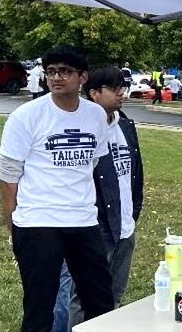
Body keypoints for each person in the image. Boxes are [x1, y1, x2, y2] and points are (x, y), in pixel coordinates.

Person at [0, 45, 114, 331]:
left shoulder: (96, 115)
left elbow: (94, 160)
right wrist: (13, 223)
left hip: (84, 221)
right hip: (38, 222)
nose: (56, 77)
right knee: (40, 307)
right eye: (51, 72)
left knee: (100, 302)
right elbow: (9, 174)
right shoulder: (27, 116)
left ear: (82, 77)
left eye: (65, 71)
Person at [58, 65, 145, 329]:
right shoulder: (81, 129)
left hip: (125, 227)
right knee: (83, 297)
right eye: (114, 88)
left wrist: (132, 214)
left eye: (123, 87)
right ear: (94, 93)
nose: (122, 93)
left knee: (113, 296)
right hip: (95, 227)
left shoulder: (126, 125)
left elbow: (136, 174)